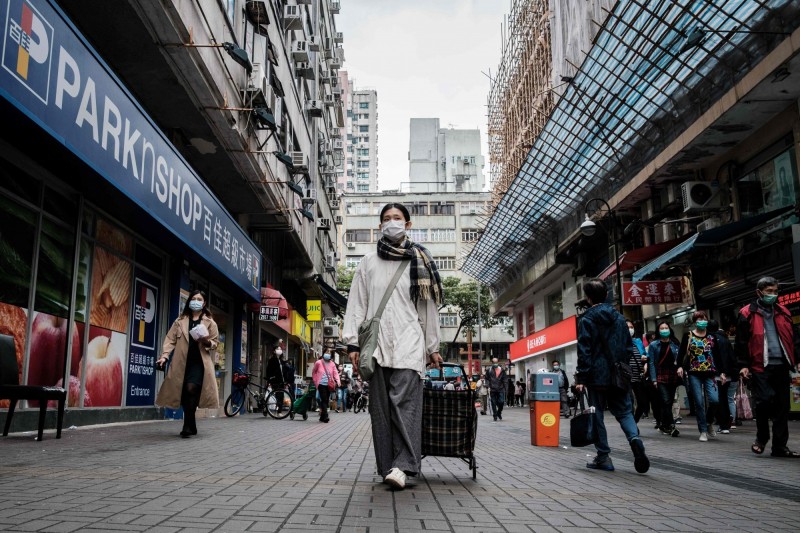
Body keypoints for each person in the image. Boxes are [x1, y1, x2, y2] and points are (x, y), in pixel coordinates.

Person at [343, 202, 443, 489]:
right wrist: (352, 343)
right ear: (380, 226)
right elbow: (357, 304)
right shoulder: (367, 262)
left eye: (397, 218)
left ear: (408, 224)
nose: (391, 223)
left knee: (405, 405)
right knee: (381, 410)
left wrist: (432, 346)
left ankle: (405, 465)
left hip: (409, 343)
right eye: (386, 219)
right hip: (376, 346)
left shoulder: (419, 260)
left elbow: (428, 309)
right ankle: (388, 466)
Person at [575, 279, 649, 474]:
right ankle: (635, 439)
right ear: (606, 295)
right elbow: (628, 347)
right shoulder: (619, 318)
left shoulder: (586, 319)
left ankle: (604, 457)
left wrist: (581, 378)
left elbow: (585, 351)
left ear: (589, 298)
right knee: (624, 412)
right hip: (619, 375)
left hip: (596, 376)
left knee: (597, 414)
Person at [735, 276, 800, 457]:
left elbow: (794, 339)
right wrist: (742, 365)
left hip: (782, 364)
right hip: (759, 366)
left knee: (782, 407)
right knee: (763, 401)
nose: (773, 295)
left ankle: (780, 446)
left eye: (775, 291)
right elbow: (741, 342)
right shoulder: (747, 313)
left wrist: (798, 359)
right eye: (769, 292)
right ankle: (761, 437)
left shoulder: (784, 312)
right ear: (759, 292)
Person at [156, 290, 219, 438]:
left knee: (191, 389)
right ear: (189, 301)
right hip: (181, 362)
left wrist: (205, 341)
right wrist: (164, 357)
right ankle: (192, 424)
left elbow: (215, 344)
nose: (196, 301)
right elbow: (170, 340)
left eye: (199, 299)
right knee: (184, 392)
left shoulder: (210, 322)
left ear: (204, 303)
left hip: (199, 362)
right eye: (193, 298)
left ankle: (186, 425)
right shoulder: (180, 321)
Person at [678, 310, 721, 442]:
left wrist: (722, 372)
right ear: (694, 321)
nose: (701, 321)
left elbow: (718, 355)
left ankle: (708, 423)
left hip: (710, 373)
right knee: (699, 402)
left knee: (714, 400)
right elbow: (681, 353)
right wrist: (679, 367)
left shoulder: (712, 337)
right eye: (698, 319)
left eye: (704, 319)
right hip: (694, 373)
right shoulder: (688, 335)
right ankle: (702, 430)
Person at [647, 321, 681, 437]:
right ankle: (671, 425)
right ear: (658, 331)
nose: (664, 330)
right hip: (660, 376)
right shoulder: (653, 345)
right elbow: (651, 362)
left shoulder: (675, 344)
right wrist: (653, 379)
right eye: (662, 328)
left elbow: (680, 360)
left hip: (672, 376)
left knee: (668, 402)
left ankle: (663, 424)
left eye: (666, 327)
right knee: (666, 400)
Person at [707, 320, 735, 434]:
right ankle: (726, 424)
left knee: (717, 400)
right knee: (725, 398)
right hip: (727, 375)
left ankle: (722, 424)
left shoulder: (710, 340)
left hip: (717, 374)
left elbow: (717, 358)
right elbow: (731, 357)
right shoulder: (725, 339)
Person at [627, 320, 648, 423]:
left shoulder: (638, 341)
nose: (630, 329)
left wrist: (645, 358)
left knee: (643, 402)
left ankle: (634, 422)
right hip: (625, 377)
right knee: (629, 402)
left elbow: (645, 354)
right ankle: (631, 426)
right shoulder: (619, 342)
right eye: (627, 327)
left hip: (638, 376)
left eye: (631, 327)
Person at [312, 349, 339, 423]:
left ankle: (322, 416)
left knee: (326, 400)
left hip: (329, 385)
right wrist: (315, 381)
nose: (328, 353)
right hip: (321, 384)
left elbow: (335, 373)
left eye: (330, 352)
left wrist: (338, 381)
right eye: (327, 352)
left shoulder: (332, 364)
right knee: (324, 399)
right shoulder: (318, 362)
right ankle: (326, 416)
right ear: (324, 353)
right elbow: (314, 372)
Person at [485, 357, 508, 422]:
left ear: (498, 362)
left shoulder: (502, 370)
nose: (495, 363)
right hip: (492, 389)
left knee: (501, 402)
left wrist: (506, 387)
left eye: (496, 362)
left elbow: (505, 379)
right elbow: (486, 379)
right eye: (494, 362)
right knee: (493, 403)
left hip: (500, 389)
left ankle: (499, 412)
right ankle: (495, 415)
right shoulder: (489, 370)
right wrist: (488, 386)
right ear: (492, 363)